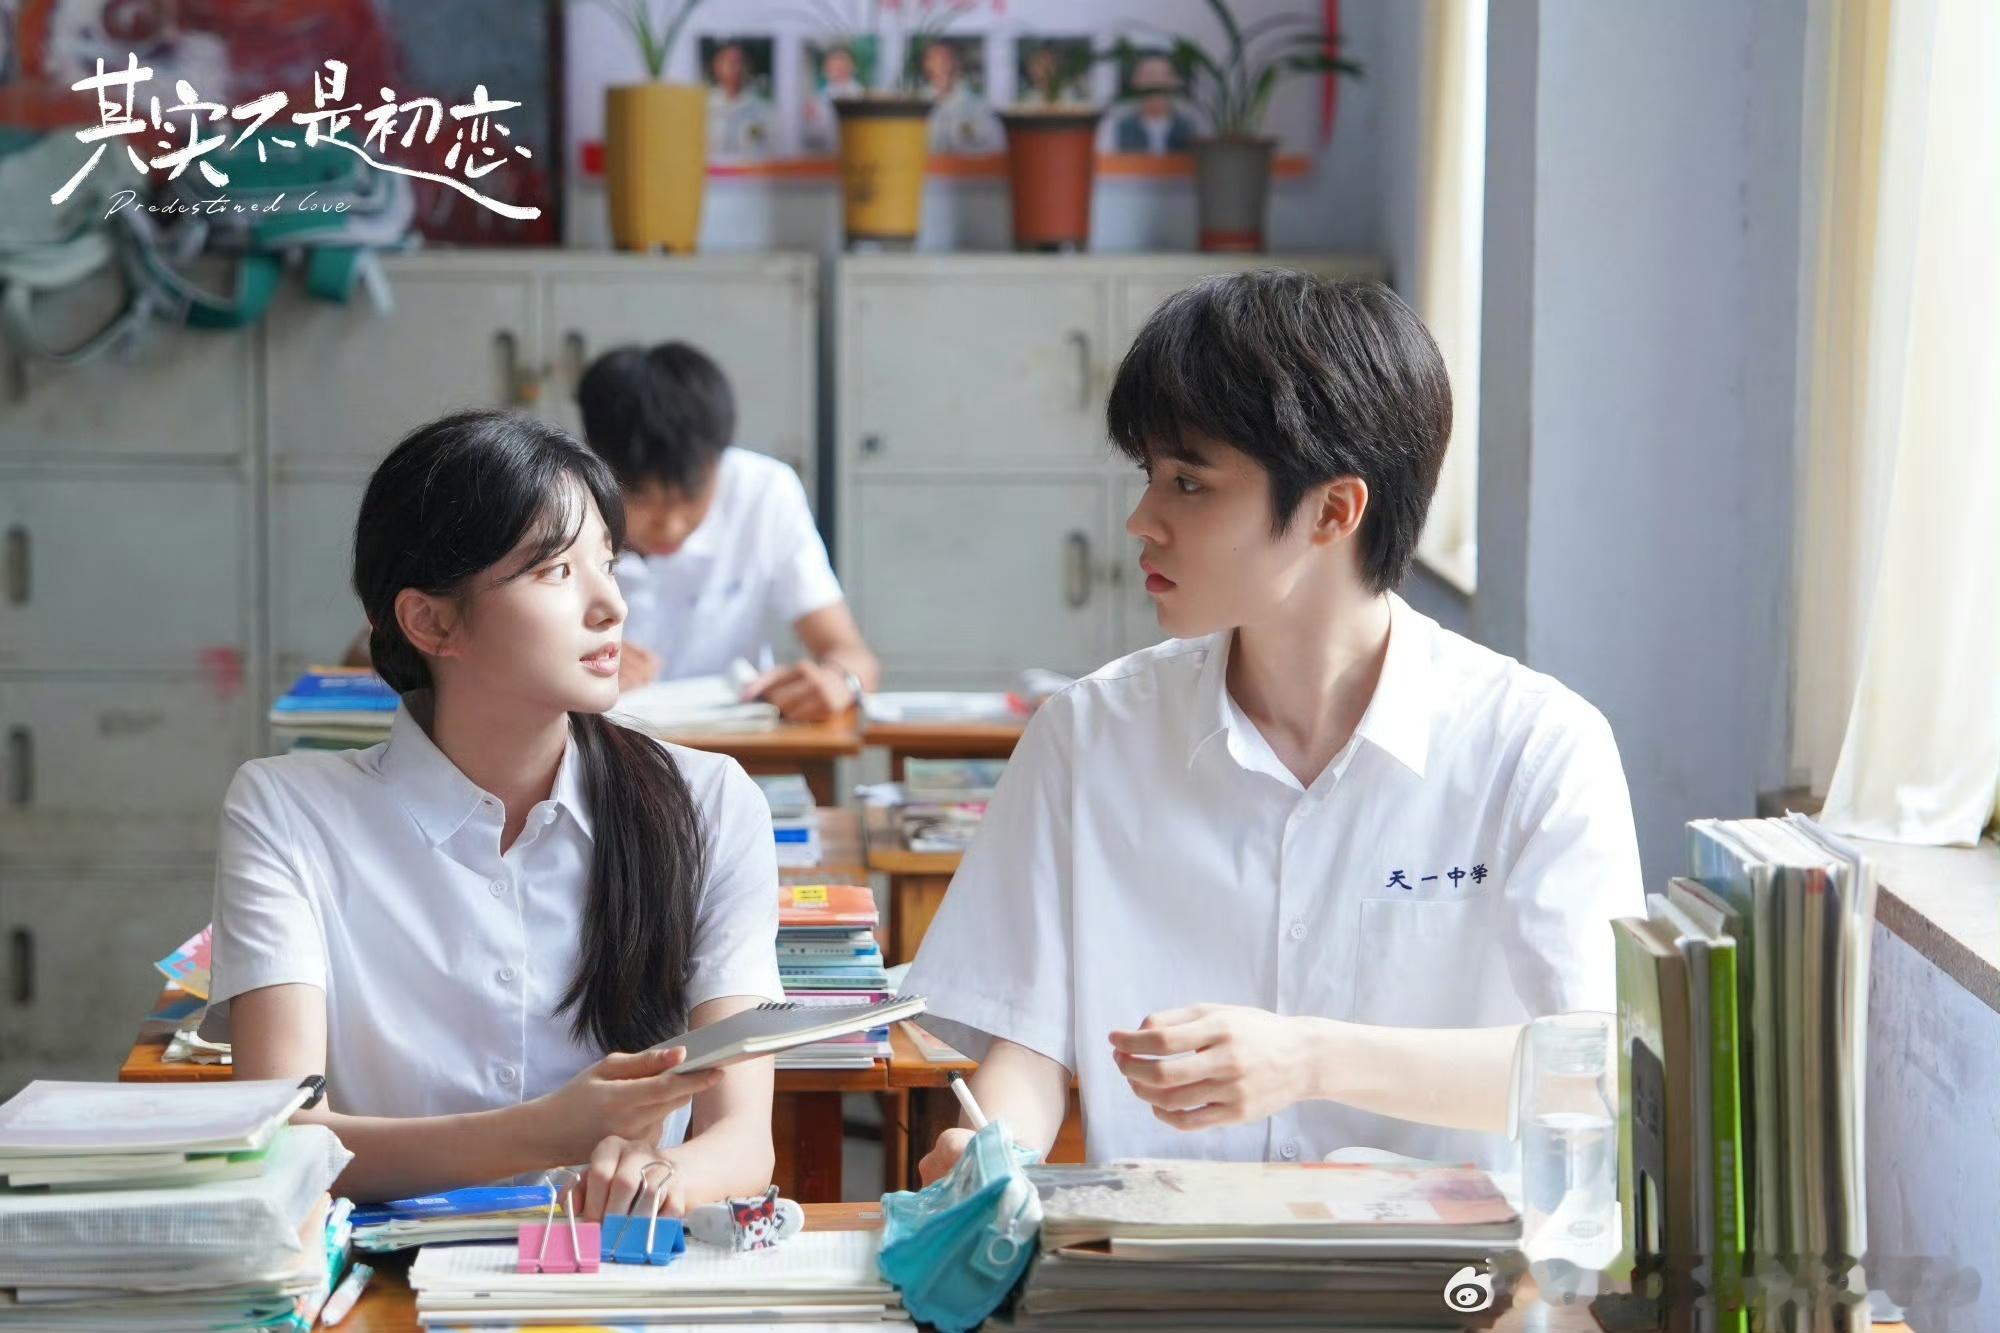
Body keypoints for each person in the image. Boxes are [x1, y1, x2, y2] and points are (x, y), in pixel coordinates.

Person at [905, 272, 1644, 1183]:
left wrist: (1312, 1058)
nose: (1142, 521)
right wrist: (993, 1151)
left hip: (1442, 1265)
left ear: (1333, 510)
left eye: (1189, 483)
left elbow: (1593, 1069)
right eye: (1149, 476)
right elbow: (1028, 1039)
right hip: (1165, 1257)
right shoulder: (1088, 734)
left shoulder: (1536, 748)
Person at [209, 410, 784, 1215]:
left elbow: (741, 1140)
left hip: (620, 1258)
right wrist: (547, 1132)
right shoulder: (287, 811)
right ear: (431, 620)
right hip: (389, 1274)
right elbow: (287, 1141)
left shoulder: (709, 802)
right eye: (556, 570)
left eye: (608, 563)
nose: (609, 606)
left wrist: (656, 1183)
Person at [576, 343, 881, 721]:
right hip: (601, 741)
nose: (670, 525)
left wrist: (839, 681)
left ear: (719, 459)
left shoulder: (764, 492)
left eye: (690, 496)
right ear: (598, 465)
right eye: (641, 498)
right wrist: (574, 669)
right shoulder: (559, 504)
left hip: (737, 743)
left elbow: (853, 655)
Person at [920, 39, 1000, 153]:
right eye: (934, 58)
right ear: (927, 64)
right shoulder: (917, 102)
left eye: (945, 58)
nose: (940, 63)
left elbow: (994, 146)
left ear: (957, 63)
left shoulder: (978, 106)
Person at [1108, 53, 1195, 153]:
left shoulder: (1190, 126)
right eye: (1149, 75)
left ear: (1175, 81)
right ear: (1135, 81)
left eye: (1163, 76)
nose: (1155, 82)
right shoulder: (1117, 126)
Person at [707, 39, 776, 159]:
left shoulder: (763, 109)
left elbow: (771, 149)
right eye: (729, 61)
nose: (735, 67)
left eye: (740, 62)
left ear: (748, 67)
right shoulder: (705, 105)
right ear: (717, 66)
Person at [802, 42, 865, 153]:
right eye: (833, 66)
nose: (837, 69)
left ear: (852, 67)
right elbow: (813, 137)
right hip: (826, 155)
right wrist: (810, 120)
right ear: (826, 70)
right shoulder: (819, 99)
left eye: (842, 65)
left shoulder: (861, 95)